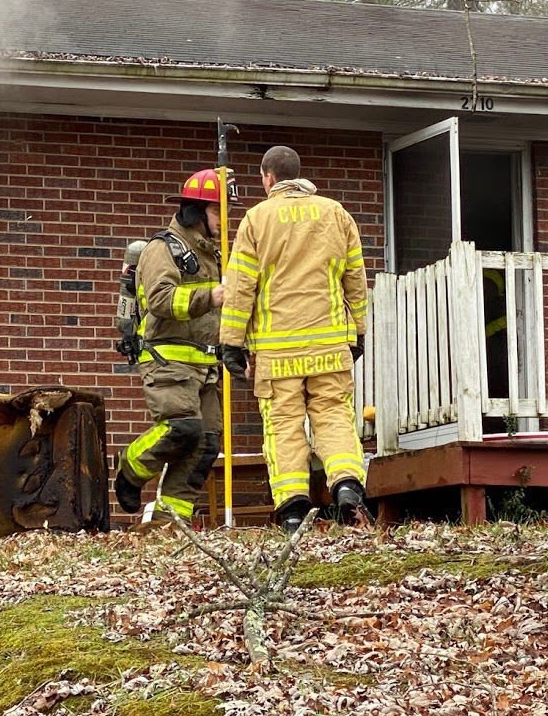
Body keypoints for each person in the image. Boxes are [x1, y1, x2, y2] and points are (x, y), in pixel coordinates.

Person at [219, 146, 369, 533]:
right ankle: (348, 487)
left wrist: (231, 343)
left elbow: (240, 288)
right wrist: (360, 332)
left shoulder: (256, 220)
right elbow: (355, 279)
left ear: (267, 177)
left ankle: (292, 509)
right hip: (330, 345)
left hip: (277, 352)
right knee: (334, 417)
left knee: (283, 427)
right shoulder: (336, 213)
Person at [114, 168, 227, 523]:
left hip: (206, 366)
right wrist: (211, 295)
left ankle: (169, 521)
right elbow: (162, 300)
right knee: (183, 429)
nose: (224, 221)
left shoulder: (212, 254)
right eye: (217, 212)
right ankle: (132, 465)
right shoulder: (163, 249)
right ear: (195, 212)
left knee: (207, 442)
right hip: (168, 360)